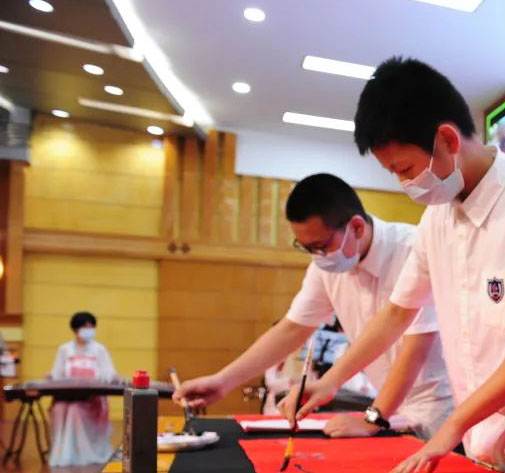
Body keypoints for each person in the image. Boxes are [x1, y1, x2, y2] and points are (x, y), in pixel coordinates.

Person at [281, 57, 505, 473]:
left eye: (405, 169)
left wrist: (454, 423)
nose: (404, 184)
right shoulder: (437, 219)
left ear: (448, 139)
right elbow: (399, 312)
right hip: (482, 438)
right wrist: (329, 383)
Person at [176, 173, 453, 440]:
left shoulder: (412, 248)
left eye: (321, 245)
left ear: (356, 227)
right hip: (390, 410)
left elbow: (417, 346)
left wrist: (373, 418)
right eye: (306, 247)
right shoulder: (325, 266)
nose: (317, 256)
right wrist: (224, 381)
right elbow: (292, 328)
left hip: (439, 409)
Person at [48, 311, 117, 466]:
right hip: (67, 396)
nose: (89, 329)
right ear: (75, 329)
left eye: (91, 326)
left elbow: (109, 373)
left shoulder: (100, 350)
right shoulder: (64, 350)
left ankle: (85, 454)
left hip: (92, 398)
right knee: (59, 408)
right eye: (85, 326)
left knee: (75, 411)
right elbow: (56, 374)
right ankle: (63, 455)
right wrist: (51, 377)